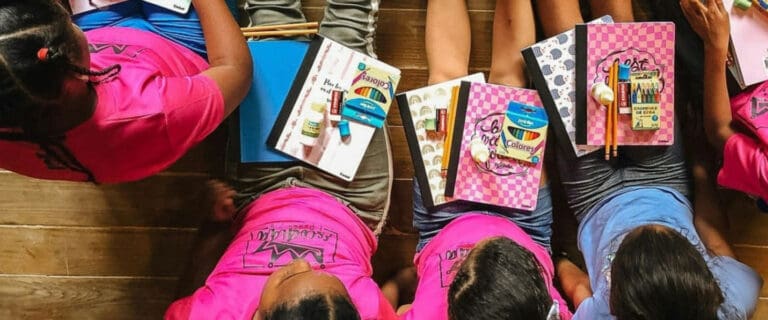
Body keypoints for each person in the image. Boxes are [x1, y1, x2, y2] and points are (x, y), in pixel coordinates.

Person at [164, 1, 397, 319]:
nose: (302, 262)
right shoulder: (366, 311)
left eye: (290, 275)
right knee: (350, 35)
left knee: (270, 23)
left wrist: (212, 229)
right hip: (348, 199)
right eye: (329, 273)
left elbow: (185, 303)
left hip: (260, 190)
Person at [388, 1, 572, 319]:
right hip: (523, 224)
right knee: (511, 85)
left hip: (444, 223)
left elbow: (405, 309)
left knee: (447, 82)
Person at [0, 0, 251, 183]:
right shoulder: (154, 112)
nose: (71, 21)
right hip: (180, 46)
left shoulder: (16, 108)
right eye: (69, 24)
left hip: (108, 33)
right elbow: (236, 71)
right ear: (74, 74)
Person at [680, 0, 768, 202]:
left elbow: (720, 131)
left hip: (729, 89)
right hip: (757, 40)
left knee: (693, 11)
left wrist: (715, 46)